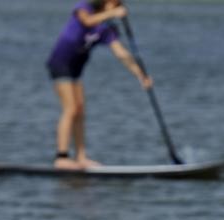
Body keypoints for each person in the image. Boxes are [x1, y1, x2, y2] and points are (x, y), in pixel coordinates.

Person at [46, 0, 151, 169]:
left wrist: (141, 74)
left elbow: (121, 53)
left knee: (80, 110)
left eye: (118, 5)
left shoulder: (106, 30)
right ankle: (61, 157)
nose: (116, 7)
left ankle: (80, 157)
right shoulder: (84, 7)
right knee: (70, 109)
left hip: (76, 68)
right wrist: (113, 14)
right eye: (114, 3)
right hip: (60, 63)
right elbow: (87, 21)